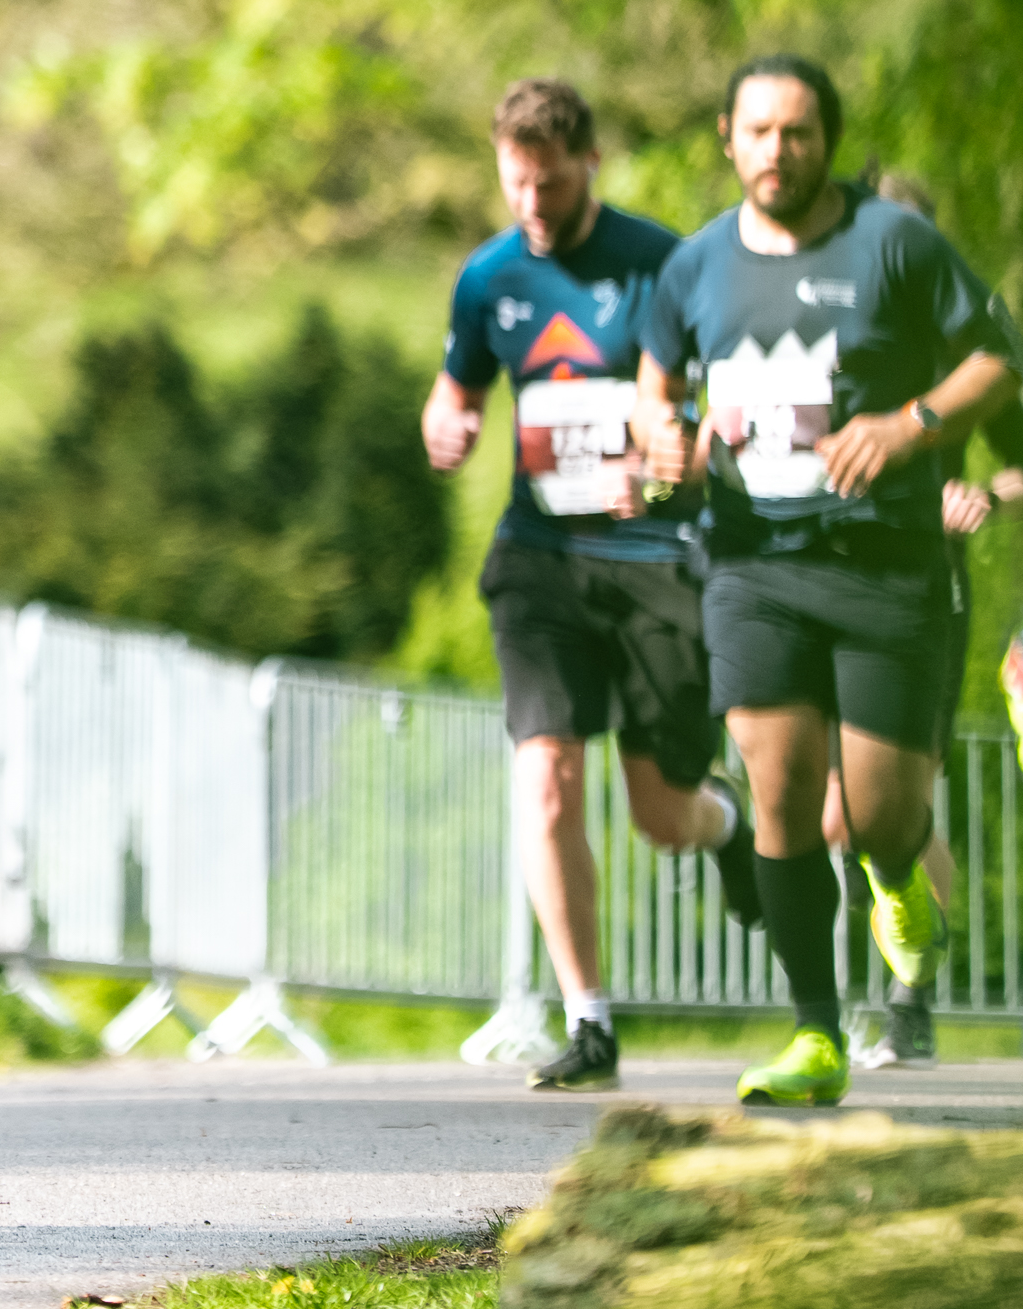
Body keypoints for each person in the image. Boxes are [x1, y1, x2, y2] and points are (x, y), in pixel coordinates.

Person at [636, 57, 1021, 1108]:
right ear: (729, 138)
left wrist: (911, 426)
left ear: (827, 142)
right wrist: (662, 446)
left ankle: (899, 881)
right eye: (759, 131)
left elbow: (998, 358)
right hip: (753, 566)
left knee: (886, 816)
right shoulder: (696, 265)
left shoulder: (894, 243)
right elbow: (655, 391)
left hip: (885, 567)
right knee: (781, 795)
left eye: (797, 132)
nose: (778, 150)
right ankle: (816, 1031)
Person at [424, 77, 761, 1095]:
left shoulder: (660, 263)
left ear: (590, 165)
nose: (532, 204)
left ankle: (724, 824)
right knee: (548, 776)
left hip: (655, 558)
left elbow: (727, 410)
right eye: (516, 183)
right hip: (539, 558)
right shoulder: (489, 278)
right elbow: (455, 390)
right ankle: (589, 1019)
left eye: (551, 184)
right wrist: (448, 424)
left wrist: (667, 461)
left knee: (661, 812)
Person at [820, 173, 1023, 1067]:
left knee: (895, 803)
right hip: (813, 579)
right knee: (830, 812)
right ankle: (834, 1003)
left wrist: (982, 493)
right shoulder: (815, 323)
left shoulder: (966, 351)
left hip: (923, 586)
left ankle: (911, 1000)